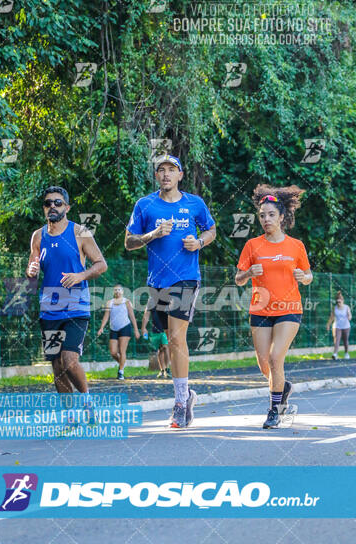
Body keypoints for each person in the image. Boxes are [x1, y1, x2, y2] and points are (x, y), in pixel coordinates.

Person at [125, 154, 216, 428]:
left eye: (171, 170)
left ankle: (179, 405)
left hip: (186, 278)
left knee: (177, 338)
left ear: (180, 175)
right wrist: (152, 235)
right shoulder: (145, 205)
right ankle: (186, 395)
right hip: (157, 282)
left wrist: (199, 242)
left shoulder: (194, 203)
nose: (166, 174)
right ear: (156, 176)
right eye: (161, 170)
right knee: (166, 337)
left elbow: (211, 230)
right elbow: (129, 242)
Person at [235, 185, 313, 429]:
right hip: (260, 310)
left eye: (270, 215)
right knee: (264, 364)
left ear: (281, 217)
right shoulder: (252, 246)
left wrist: (304, 277)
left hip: (289, 308)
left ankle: (274, 410)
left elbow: (309, 275)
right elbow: (238, 279)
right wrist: (248, 272)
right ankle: (283, 387)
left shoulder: (296, 246)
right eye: (262, 216)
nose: (266, 219)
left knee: (275, 356)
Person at [26, 186, 107, 396]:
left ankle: (87, 400)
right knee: (57, 367)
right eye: (48, 203)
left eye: (57, 202)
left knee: (69, 360)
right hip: (49, 309)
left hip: (75, 306)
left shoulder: (80, 232)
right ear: (44, 209)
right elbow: (32, 270)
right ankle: (70, 416)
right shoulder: (37, 236)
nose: (52, 206)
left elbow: (101, 264)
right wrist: (31, 271)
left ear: (67, 207)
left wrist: (80, 276)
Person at [97, 284, 140, 379]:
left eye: (119, 290)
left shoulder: (127, 302)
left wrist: (136, 330)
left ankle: (120, 372)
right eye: (115, 290)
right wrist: (101, 327)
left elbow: (132, 316)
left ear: (122, 291)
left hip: (125, 327)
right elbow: (106, 316)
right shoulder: (109, 302)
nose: (117, 291)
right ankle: (122, 363)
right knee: (113, 352)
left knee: (122, 350)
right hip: (113, 329)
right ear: (113, 292)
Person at [141, 302, 171, 378]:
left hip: (166, 327)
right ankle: (162, 370)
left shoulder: (167, 297)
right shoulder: (151, 300)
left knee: (166, 346)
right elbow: (146, 314)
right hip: (156, 328)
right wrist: (143, 327)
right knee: (160, 349)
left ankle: (167, 369)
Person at [326, 291, 352, 360]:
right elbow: (331, 317)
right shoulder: (335, 308)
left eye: (339, 302)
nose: (338, 303)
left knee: (345, 340)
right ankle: (335, 354)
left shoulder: (347, 307)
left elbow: (349, 315)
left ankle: (346, 353)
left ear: (342, 301)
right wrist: (328, 325)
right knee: (337, 340)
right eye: (337, 302)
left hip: (346, 326)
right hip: (337, 326)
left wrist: (349, 317)